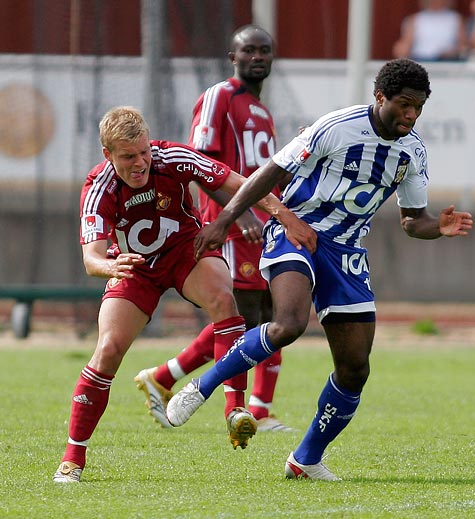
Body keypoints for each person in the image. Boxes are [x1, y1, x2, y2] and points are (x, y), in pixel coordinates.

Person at [166, 58, 474, 481]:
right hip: (298, 233)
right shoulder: (336, 127)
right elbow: (269, 171)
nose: (411, 114)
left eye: (418, 106)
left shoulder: (412, 151)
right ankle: (202, 387)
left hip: (347, 255)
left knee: (355, 369)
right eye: (404, 104)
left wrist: (435, 227)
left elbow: (411, 219)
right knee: (288, 323)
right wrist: (225, 218)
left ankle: (305, 458)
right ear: (380, 96)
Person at [52, 106, 315, 483]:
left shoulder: (171, 157)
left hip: (185, 252)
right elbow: (92, 258)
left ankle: (234, 410)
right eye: (128, 156)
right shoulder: (98, 188)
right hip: (134, 269)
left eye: (143, 151)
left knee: (226, 301)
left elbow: (241, 183)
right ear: (108, 155)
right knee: (107, 350)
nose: (140, 162)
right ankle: (72, 459)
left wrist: (284, 216)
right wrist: (111, 267)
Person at [134, 25, 292, 433]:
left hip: (262, 222)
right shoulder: (219, 96)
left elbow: (261, 173)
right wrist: (236, 216)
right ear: (232, 56)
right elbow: (200, 162)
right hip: (233, 224)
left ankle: (168, 378)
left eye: (265, 51)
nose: (258, 57)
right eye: (249, 50)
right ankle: (250, 407)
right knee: (245, 315)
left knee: (271, 313)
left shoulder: (261, 110)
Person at [392, 0, 467, 61]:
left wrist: (452, 53)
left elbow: (463, 47)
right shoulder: (415, 19)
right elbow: (405, 44)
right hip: (420, 60)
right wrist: (401, 49)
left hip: (446, 62)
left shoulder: (455, 18)